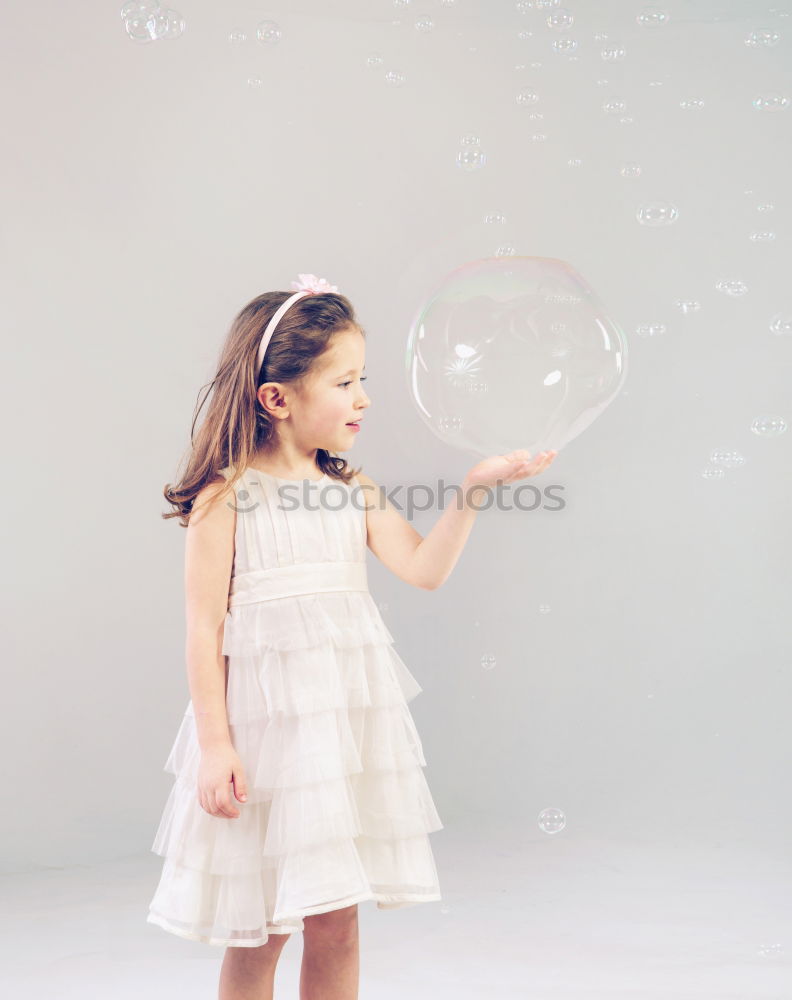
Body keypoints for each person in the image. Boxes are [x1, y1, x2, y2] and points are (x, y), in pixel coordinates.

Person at [146, 272, 557, 999]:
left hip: (336, 738)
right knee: (264, 924)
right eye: (344, 381)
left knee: (336, 922)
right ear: (278, 398)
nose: (362, 397)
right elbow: (202, 629)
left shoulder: (353, 492)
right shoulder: (228, 498)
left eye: (361, 378)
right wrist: (215, 747)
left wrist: (471, 493)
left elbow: (423, 569)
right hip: (264, 739)